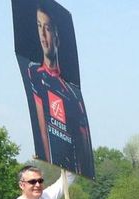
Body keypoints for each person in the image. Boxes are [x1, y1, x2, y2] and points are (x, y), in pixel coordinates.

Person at [27, 0, 94, 178]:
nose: (42, 34)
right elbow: (42, 131)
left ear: (56, 36)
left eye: (47, 28)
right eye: (39, 26)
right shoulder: (35, 74)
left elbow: (84, 152)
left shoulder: (73, 93)